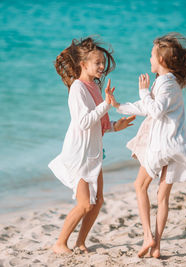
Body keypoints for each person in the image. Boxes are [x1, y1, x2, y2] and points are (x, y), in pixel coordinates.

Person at [110, 32, 186, 258]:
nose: (149, 59)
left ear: (161, 60)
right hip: (174, 147)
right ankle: (157, 247)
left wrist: (142, 91)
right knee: (162, 196)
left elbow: (155, 109)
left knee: (139, 186)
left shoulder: (166, 83)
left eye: (151, 56)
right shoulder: (169, 84)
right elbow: (147, 107)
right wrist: (119, 106)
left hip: (162, 147)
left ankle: (148, 236)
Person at [49, 37, 135, 254]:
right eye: (97, 62)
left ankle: (80, 242)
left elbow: (99, 124)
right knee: (85, 204)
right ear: (83, 64)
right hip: (78, 153)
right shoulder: (78, 88)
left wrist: (117, 126)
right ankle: (59, 244)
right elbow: (84, 122)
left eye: (102, 62)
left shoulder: (94, 87)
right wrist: (107, 104)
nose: (101, 66)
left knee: (97, 202)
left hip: (94, 153)